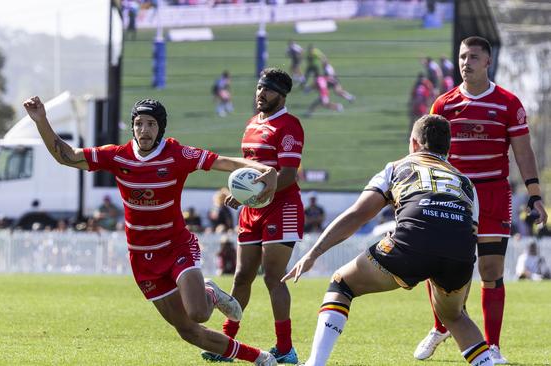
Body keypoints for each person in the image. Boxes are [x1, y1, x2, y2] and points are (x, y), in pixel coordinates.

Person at [23, 95, 279, 366]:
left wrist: (265, 169)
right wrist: (42, 120)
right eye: (139, 123)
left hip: (177, 247)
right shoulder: (117, 156)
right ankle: (259, 357)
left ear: (161, 129)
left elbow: (224, 163)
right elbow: (68, 156)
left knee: (199, 314)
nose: (144, 130)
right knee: (188, 332)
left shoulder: (177, 154)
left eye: (151, 124)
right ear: (132, 127)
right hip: (143, 260)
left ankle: (210, 293)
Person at [283, 114, 493, 366]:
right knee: (455, 316)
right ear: (448, 148)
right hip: (459, 254)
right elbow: (469, 233)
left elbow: (358, 214)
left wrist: (313, 254)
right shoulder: (466, 182)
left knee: (341, 284)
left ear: (414, 143)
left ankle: (315, 364)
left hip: (412, 243)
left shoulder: (397, 167)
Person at [414, 36, 548, 364]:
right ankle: (440, 327)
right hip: (453, 194)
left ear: (488, 61)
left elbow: (523, 151)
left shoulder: (508, 103)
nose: (465, 62)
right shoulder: (442, 105)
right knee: (442, 268)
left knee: (490, 270)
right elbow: (424, 151)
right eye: (462, 56)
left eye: (473, 56)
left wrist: (534, 194)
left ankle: (493, 346)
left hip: (493, 193)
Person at [206, 68, 304, 364]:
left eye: (269, 90)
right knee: (241, 276)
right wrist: (245, 194)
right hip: (254, 210)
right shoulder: (251, 125)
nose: (261, 94)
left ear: (282, 95)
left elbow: (287, 175)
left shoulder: (289, 126)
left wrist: (259, 194)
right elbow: (247, 172)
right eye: (260, 88)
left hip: (282, 207)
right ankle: (226, 343)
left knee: (273, 278)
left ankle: (285, 349)